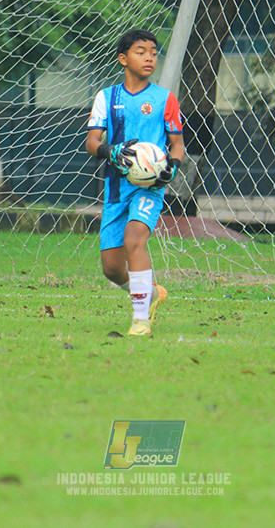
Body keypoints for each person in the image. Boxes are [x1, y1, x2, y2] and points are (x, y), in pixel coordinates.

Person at [85, 29, 186, 336]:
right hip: (116, 187)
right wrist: (109, 150)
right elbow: (91, 142)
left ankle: (141, 319)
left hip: (150, 187)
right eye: (141, 51)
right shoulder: (106, 97)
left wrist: (172, 166)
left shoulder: (165, 99)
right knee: (112, 268)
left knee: (134, 240)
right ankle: (150, 293)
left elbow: (178, 145)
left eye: (154, 52)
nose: (149, 57)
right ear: (123, 58)